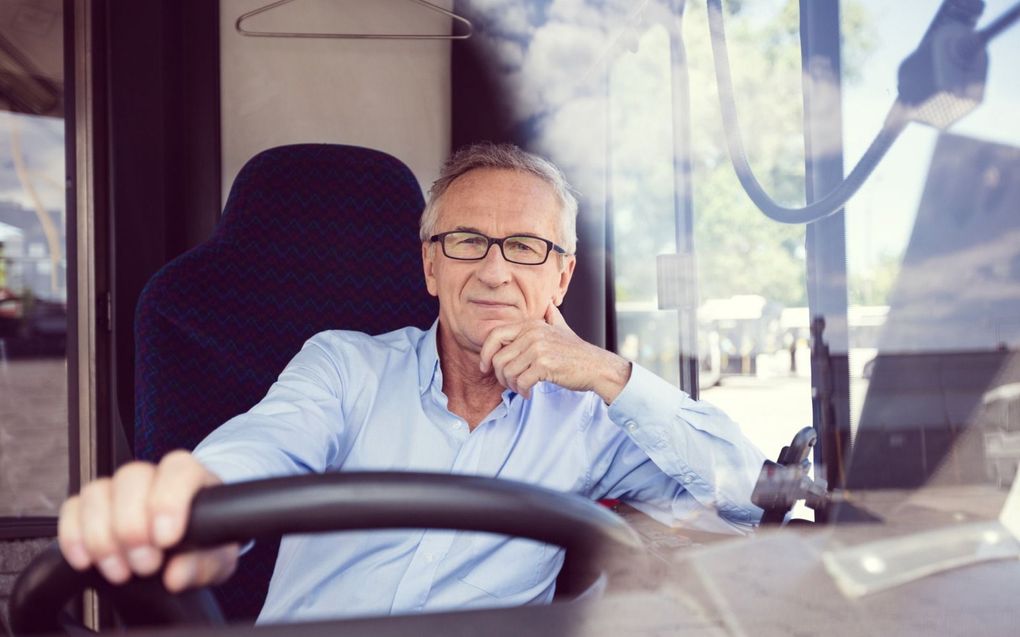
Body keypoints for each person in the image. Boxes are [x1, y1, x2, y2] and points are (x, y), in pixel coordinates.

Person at [57, 143, 767, 622]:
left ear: (562, 275)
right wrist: (189, 513)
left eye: (524, 247)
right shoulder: (345, 366)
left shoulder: (593, 417)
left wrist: (611, 373)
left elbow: (743, 499)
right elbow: (254, 454)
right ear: (431, 266)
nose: (493, 271)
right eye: (466, 242)